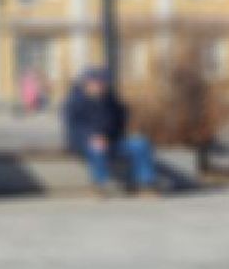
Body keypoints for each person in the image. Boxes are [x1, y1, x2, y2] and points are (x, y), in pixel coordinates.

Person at [63, 67, 159, 195]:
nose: (100, 87)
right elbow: (75, 128)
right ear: (86, 84)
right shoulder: (74, 102)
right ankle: (100, 184)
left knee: (140, 143)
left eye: (103, 83)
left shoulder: (111, 101)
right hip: (86, 143)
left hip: (112, 140)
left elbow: (120, 122)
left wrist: (111, 134)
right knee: (97, 147)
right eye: (96, 83)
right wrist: (92, 137)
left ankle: (146, 183)